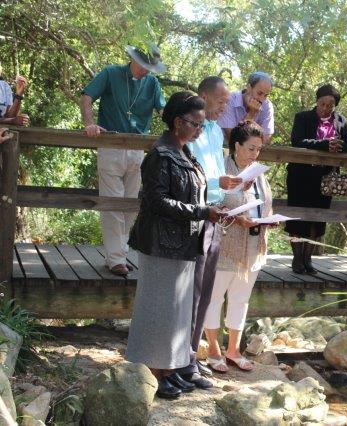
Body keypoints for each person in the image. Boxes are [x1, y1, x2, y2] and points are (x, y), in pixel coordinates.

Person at [125, 91, 225, 400]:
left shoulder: (184, 152)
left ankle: (169, 369)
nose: (200, 130)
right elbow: (156, 201)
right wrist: (201, 212)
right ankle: (152, 371)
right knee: (157, 308)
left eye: (202, 125)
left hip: (182, 242)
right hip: (159, 242)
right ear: (178, 122)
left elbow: (193, 191)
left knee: (176, 312)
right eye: (196, 124)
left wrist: (209, 209)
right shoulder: (160, 154)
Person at [172, 76, 243, 388]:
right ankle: (180, 359)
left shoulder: (214, 131)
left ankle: (191, 357)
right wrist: (217, 183)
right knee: (190, 290)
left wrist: (227, 185)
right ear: (203, 96)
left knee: (205, 292)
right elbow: (191, 172)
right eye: (221, 100)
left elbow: (213, 169)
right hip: (195, 212)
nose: (225, 107)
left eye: (227, 101)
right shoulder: (191, 130)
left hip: (215, 211)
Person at [80, 43, 166, 276]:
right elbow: (87, 97)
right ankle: (116, 259)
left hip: (138, 149)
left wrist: (181, 124)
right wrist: (89, 124)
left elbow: (164, 111)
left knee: (130, 205)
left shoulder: (152, 83)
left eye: (151, 67)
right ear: (134, 59)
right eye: (145, 65)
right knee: (113, 204)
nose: (147, 71)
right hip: (111, 145)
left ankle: (119, 253)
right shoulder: (111, 73)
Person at [203, 121, 273, 373]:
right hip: (226, 244)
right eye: (251, 148)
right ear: (236, 146)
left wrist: (268, 219)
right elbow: (210, 204)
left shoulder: (258, 173)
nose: (255, 154)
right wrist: (236, 219)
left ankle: (233, 350)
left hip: (253, 245)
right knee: (214, 297)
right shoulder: (222, 168)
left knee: (240, 299)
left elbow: (266, 203)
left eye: (259, 149)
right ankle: (214, 349)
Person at [285, 84, 347, 274]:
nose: (326, 108)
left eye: (330, 105)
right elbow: (297, 141)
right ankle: (297, 259)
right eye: (322, 104)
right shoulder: (302, 117)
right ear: (317, 101)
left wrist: (338, 146)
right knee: (297, 218)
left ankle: (308, 258)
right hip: (300, 176)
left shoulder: (341, 121)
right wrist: (324, 144)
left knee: (318, 219)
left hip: (326, 178)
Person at [218, 71, 274, 144]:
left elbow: (266, 138)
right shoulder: (230, 100)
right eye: (259, 93)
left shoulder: (267, 105)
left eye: (266, 95)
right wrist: (251, 114)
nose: (262, 99)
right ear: (249, 88)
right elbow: (232, 139)